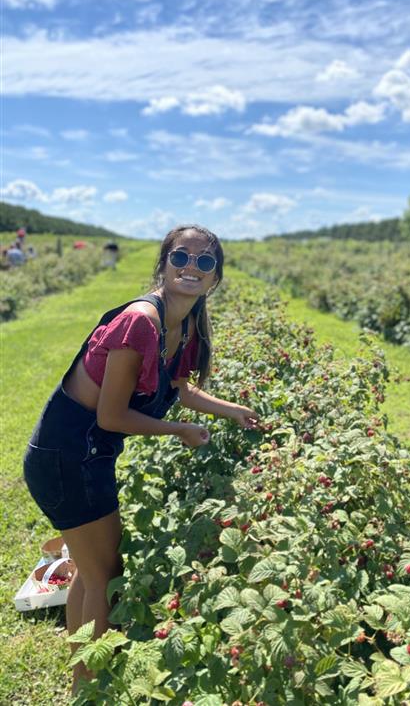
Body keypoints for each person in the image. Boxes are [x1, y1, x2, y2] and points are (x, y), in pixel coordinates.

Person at [22, 224, 260, 693]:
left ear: (216, 277)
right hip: (66, 457)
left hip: (87, 455)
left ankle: (83, 680)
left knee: (94, 573)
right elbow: (111, 415)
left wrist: (233, 411)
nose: (192, 267)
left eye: (205, 261)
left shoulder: (185, 325)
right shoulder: (141, 321)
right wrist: (180, 431)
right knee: (104, 576)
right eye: (182, 257)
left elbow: (178, 388)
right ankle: (94, 686)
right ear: (164, 263)